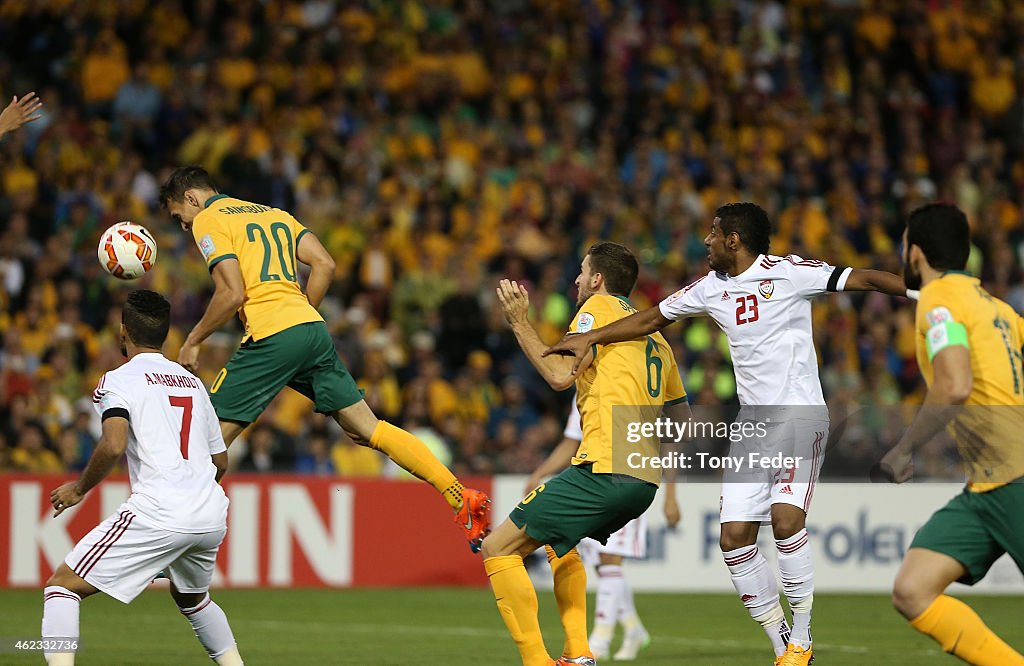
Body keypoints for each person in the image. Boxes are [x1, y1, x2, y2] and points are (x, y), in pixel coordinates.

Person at [545, 203, 913, 666]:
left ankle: (801, 637)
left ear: (734, 240)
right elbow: (651, 318)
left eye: (714, 233)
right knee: (733, 539)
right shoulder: (710, 288)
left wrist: (923, 291)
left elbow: (864, 278)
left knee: (785, 522)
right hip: (752, 426)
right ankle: (783, 645)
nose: (707, 241)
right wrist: (593, 337)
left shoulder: (790, 272)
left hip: (800, 415)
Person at [158, 166, 490, 550]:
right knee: (369, 429)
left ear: (192, 198)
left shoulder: (209, 219)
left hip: (270, 334)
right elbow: (326, 264)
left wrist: (193, 340)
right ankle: (459, 496)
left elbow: (231, 293)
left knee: (204, 442)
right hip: (311, 329)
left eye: (179, 217)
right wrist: (300, 314)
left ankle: (172, 541)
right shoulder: (273, 213)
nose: (183, 227)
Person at [485, 241, 690, 666]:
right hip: (643, 481)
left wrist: (520, 323)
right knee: (560, 544)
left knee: (498, 548)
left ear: (597, 280)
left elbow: (560, 376)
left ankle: (537, 662)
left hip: (605, 468)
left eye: (582, 272)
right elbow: (682, 419)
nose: (576, 280)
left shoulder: (597, 310)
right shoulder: (656, 339)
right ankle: (579, 654)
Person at [42, 290, 244, 666]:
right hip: (210, 514)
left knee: (62, 589)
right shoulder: (192, 383)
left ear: (123, 332)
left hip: (160, 511)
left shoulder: (118, 380)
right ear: (165, 335)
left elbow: (113, 444)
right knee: (194, 601)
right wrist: (193, 496)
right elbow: (220, 460)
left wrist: (79, 488)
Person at [878, 203, 1024, 665]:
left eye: (903, 244)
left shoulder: (938, 301)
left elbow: (954, 384)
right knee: (913, 588)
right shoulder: (1000, 311)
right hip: (986, 487)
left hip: (1014, 478)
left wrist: (905, 448)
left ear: (915, 252)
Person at [524, 393, 681, 661]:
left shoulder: (629, 385)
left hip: (628, 479)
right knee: (602, 564)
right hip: (590, 485)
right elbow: (572, 441)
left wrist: (671, 494)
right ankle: (633, 629)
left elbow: (667, 441)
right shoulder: (583, 393)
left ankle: (600, 640)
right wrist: (541, 473)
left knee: (610, 561)